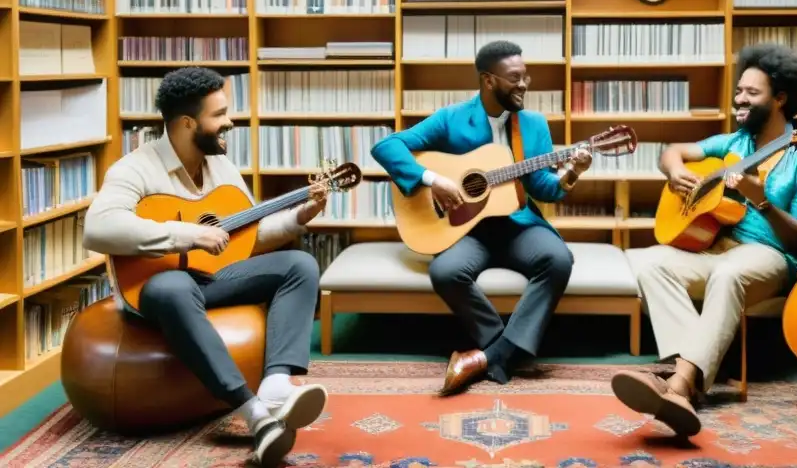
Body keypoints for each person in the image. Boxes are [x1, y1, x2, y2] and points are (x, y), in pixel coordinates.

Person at [83, 67, 328, 467]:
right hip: (156, 287)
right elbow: (97, 229)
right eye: (220, 114)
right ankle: (253, 414)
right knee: (173, 287)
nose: (230, 122)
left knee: (300, 264)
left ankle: (276, 385)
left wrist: (301, 216)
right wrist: (187, 235)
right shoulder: (134, 169)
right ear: (187, 123)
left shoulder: (222, 168)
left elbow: (249, 237)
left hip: (212, 278)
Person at [610, 43, 797, 438]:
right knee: (648, 260)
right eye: (739, 91)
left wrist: (760, 201)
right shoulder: (733, 144)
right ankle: (692, 371)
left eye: (751, 93)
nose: (739, 100)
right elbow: (673, 151)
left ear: (780, 99)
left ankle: (679, 386)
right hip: (717, 248)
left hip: (770, 258)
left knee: (728, 274)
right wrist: (675, 171)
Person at [371, 40, 593, 395]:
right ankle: (501, 346)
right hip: (464, 229)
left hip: (517, 225)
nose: (523, 85)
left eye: (526, 77)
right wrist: (433, 179)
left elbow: (542, 186)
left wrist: (570, 174)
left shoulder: (533, 125)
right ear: (488, 80)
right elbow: (386, 147)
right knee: (444, 271)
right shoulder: (452, 118)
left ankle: (494, 356)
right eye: (514, 78)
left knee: (558, 260)